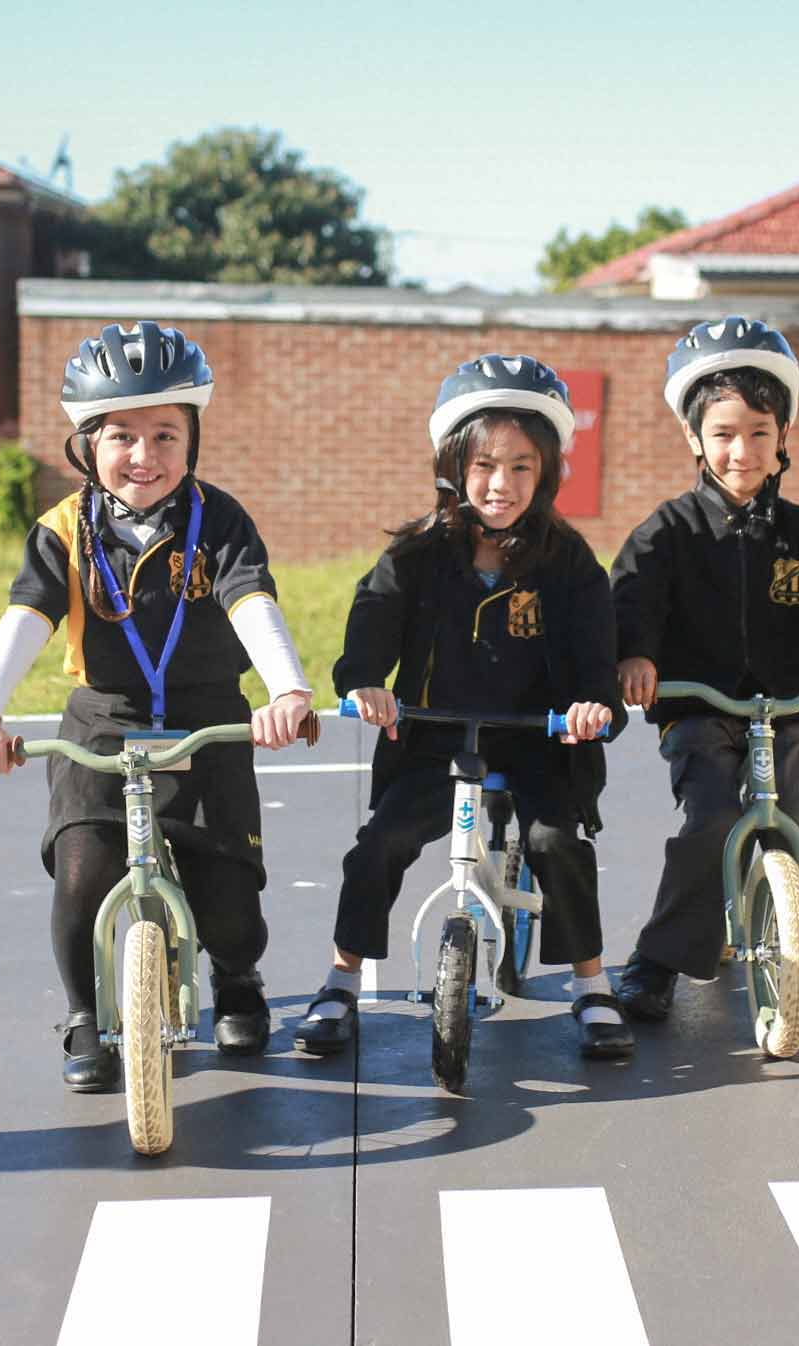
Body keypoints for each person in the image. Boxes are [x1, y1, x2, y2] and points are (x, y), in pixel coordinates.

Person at [0, 321, 315, 1092]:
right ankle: (84, 1017)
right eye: (121, 436)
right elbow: (26, 618)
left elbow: (250, 600)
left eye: (164, 435)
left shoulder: (218, 521)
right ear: (86, 444)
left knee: (228, 897)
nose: (144, 457)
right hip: (103, 718)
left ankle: (239, 981)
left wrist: (286, 689)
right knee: (81, 872)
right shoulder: (61, 530)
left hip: (207, 715)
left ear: (193, 442)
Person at [297, 354, 633, 1061]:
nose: (500, 484)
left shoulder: (568, 563)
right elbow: (371, 627)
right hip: (433, 736)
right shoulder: (416, 555)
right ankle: (340, 981)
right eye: (483, 465)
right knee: (380, 844)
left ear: (545, 473)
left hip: (538, 739)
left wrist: (592, 709)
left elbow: (594, 666)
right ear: (454, 466)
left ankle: (592, 984)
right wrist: (363, 683)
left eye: (519, 466)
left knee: (555, 844)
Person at [609, 316, 799, 1026]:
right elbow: (633, 604)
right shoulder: (668, 532)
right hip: (697, 709)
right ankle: (656, 960)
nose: (740, 450)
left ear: (781, 439)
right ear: (693, 439)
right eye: (722, 434)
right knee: (711, 819)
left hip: (787, 708)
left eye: (757, 433)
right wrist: (635, 656)